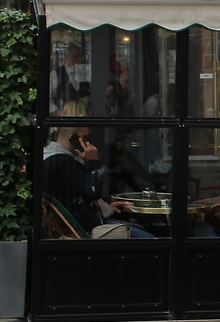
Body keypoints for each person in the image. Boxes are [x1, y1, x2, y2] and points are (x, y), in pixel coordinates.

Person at [42, 99, 151, 238]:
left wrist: (106, 207)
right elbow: (92, 191)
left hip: (81, 224)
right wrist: (93, 162)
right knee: (148, 238)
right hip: (83, 232)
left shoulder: (53, 157)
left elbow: (79, 195)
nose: (88, 141)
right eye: (85, 136)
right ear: (72, 136)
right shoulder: (61, 162)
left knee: (139, 229)